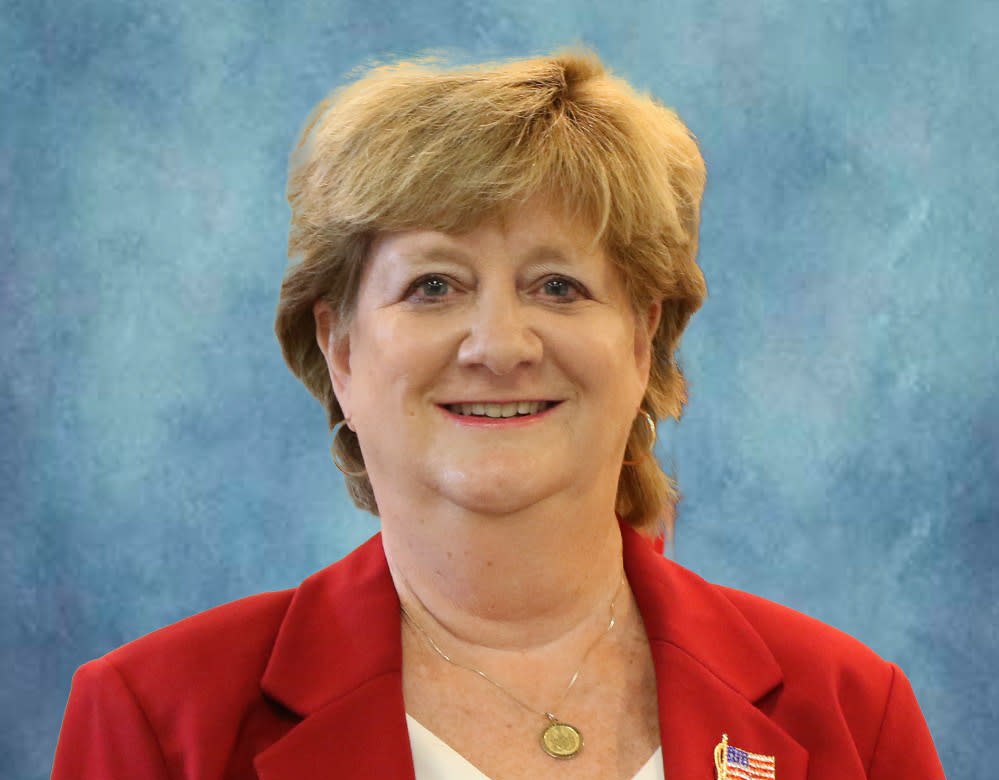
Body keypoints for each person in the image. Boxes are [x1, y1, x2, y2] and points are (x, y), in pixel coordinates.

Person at [52, 50, 945, 780]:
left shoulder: (850, 715)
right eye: (433, 286)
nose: (499, 345)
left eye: (557, 286)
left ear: (641, 342)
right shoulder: (160, 723)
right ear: (342, 348)